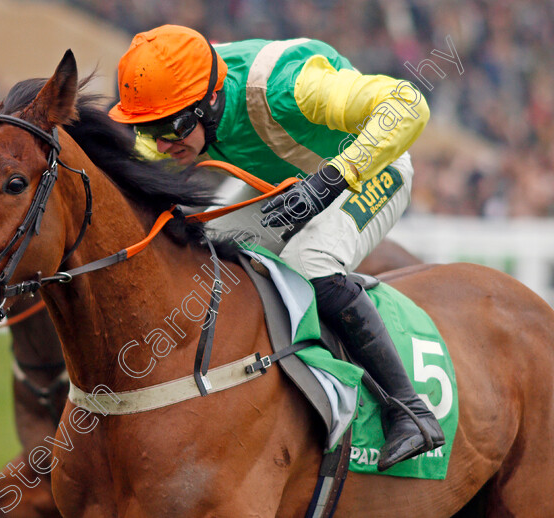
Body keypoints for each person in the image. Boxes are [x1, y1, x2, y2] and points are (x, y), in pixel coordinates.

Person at [108, 24, 443, 471]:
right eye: (149, 129)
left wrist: (329, 181)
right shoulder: (176, 93)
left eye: (173, 128)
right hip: (285, 183)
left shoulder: (288, 87)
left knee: (311, 261)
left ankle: (410, 411)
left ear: (211, 99)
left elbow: (407, 105)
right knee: (202, 252)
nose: (162, 144)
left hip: (371, 166)